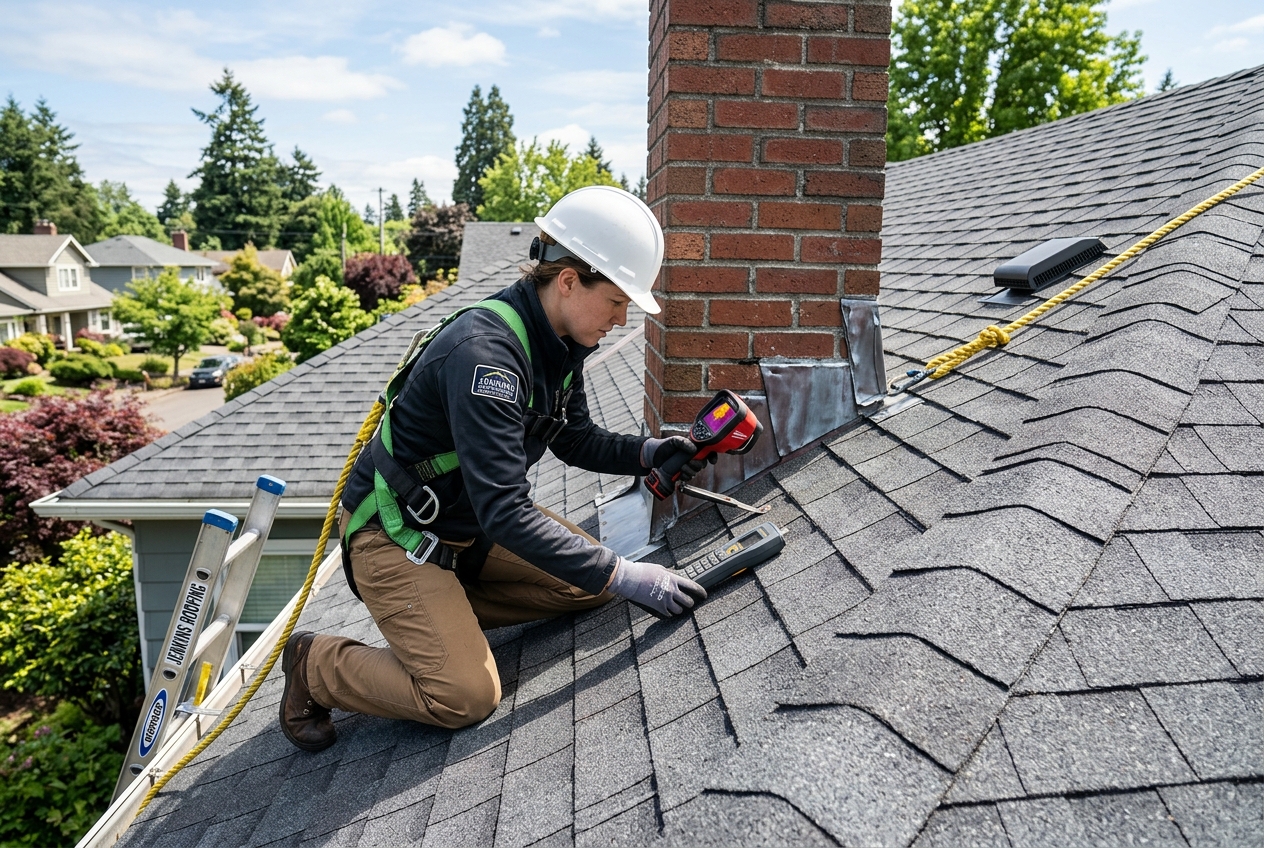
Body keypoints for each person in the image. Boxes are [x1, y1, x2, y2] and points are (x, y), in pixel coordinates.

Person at [280, 186, 710, 751]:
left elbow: (573, 438)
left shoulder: (555, 342)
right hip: (396, 536)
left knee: (591, 586)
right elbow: (506, 511)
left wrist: (648, 452)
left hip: (467, 530)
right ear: (568, 280)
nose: (622, 318)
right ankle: (317, 664)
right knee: (464, 695)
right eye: (617, 300)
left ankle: (445, 611)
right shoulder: (486, 355)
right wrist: (631, 576)